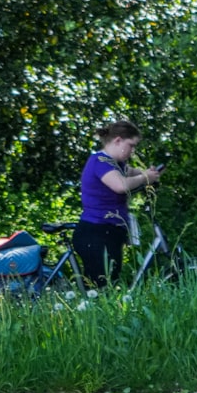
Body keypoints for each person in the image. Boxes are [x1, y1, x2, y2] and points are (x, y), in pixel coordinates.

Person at [77, 120, 161, 284]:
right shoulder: (100, 161)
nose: (132, 150)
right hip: (97, 232)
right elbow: (120, 185)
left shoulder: (117, 164)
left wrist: (148, 173)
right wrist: (145, 177)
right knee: (102, 286)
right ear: (118, 140)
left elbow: (131, 172)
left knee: (111, 281)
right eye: (131, 145)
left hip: (110, 231)